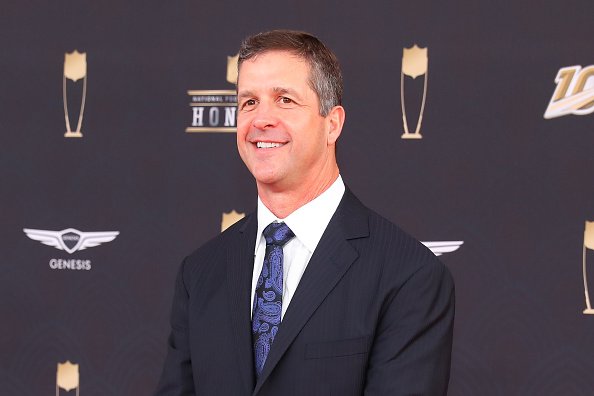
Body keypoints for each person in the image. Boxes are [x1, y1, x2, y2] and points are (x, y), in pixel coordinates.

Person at [155, 30, 454, 395]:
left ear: (333, 124)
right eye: (249, 102)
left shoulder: (409, 276)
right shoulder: (199, 273)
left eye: (284, 100)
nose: (261, 119)